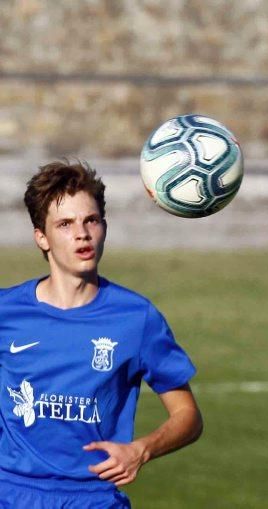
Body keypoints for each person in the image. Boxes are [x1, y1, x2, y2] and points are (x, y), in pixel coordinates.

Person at [0, 161, 202, 507]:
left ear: (103, 227)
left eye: (90, 220)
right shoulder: (6, 312)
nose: (82, 233)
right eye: (65, 224)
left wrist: (142, 449)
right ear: (42, 237)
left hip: (93, 498)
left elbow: (188, 416)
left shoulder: (136, 318)